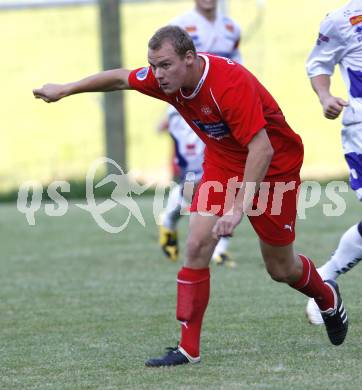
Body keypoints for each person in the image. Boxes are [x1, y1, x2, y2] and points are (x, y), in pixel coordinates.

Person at [33, 25, 348, 367]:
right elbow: (121, 78)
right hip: (224, 163)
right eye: (153, 65)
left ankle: (326, 296)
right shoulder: (166, 79)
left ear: (189, 58)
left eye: (165, 65)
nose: (158, 74)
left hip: (274, 168)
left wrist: (237, 208)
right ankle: (188, 349)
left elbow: (263, 148)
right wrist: (65, 89)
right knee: (197, 245)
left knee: (280, 267)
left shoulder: (228, 84)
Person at [159, 0, 241, 266]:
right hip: (187, 115)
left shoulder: (231, 28)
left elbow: (236, 71)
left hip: (221, 112)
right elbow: (162, 72)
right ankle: (170, 218)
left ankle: (220, 246)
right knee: (194, 182)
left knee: (229, 175)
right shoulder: (180, 26)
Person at [305, 0, 362, 325]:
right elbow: (318, 65)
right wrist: (326, 97)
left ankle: (324, 276)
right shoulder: (341, 20)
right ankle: (324, 278)